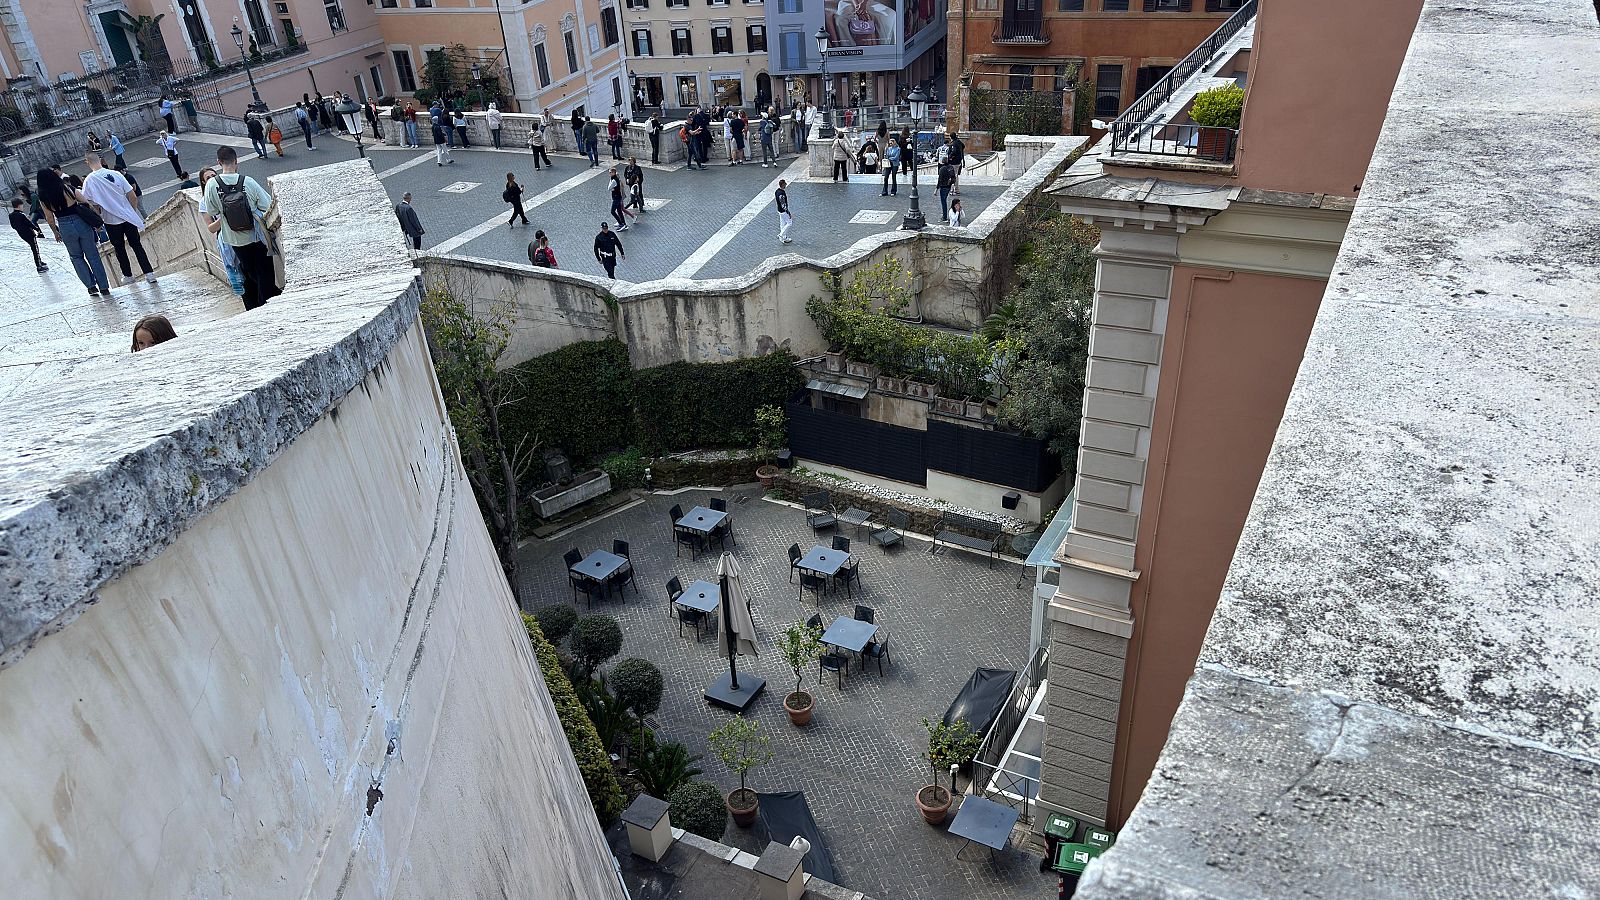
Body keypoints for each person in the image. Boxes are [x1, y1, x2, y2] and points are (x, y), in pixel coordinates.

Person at [200, 146, 279, 311]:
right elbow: (267, 205)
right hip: (255, 236)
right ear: (236, 161)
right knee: (265, 272)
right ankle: (267, 303)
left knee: (250, 272)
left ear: (219, 162)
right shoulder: (248, 181)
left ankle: (260, 304)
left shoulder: (211, 185)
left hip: (234, 240)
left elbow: (212, 211)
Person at [82, 152, 157, 286]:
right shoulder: (116, 174)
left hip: (110, 220)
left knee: (119, 248)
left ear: (87, 163)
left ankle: (128, 275)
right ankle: (149, 273)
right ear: (100, 160)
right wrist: (131, 212)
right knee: (137, 245)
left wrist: (99, 212)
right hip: (127, 217)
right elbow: (132, 195)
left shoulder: (89, 180)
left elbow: (89, 202)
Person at [36, 167, 111, 297]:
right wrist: (96, 221)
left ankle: (91, 286)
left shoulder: (43, 196)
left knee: (76, 257)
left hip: (64, 225)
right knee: (93, 255)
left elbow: (49, 218)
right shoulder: (68, 188)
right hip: (80, 221)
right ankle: (104, 287)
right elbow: (87, 203)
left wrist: (55, 232)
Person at [10, 197, 47, 272]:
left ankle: (39, 261)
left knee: (34, 248)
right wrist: (37, 229)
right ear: (19, 205)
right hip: (29, 234)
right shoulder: (21, 215)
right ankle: (39, 266)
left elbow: (13, 226)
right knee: (35, 249)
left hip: (22, 234)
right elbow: (29, 224)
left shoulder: (11, 215)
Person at [607, 166, 633, 230]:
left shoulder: (613, 180)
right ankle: (624, 224)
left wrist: (611, 181)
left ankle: (621, 223)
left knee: (613, 211)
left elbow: (609, 188)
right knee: (619, 211)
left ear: (613, 173)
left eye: (610, 172)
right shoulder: (616, 179)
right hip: (618, 197)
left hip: (616, 198)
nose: (609, 174)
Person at [775, 179, 793, 244]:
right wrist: (788, 212)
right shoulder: (781, 194)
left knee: (782, 223)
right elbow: (783, 204)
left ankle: (783, 238)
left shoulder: (777, 191)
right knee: (789, 223)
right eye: (785, 184)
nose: (786, 184)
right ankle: (781, 234)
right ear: (782, 185)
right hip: (783, 211)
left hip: (779, 210)